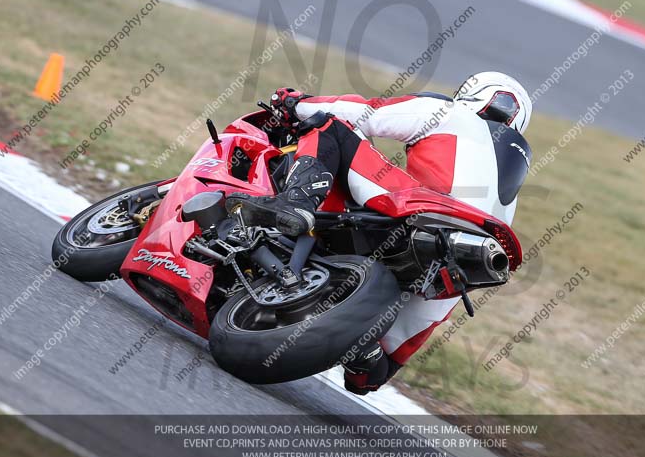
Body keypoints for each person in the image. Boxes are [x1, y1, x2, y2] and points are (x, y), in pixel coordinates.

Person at [226, 72, 533, 395]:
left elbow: (367, 112)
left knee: (330, 127)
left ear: (474, 96)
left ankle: (296, 203)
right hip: (464, 259)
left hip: (415, 210)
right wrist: (373, 362)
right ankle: (366, 352)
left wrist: (296, 102)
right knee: (378, 369)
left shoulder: (453, 114)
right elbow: (369, 383)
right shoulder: (508, 201)